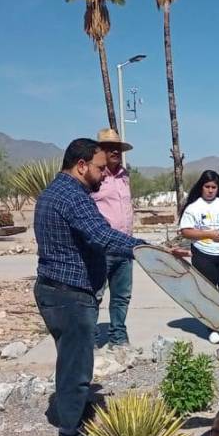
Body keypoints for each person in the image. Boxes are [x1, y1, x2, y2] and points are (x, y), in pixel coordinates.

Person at [34, 138, 187, 436]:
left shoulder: (52, 193)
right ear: (81, 166)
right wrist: (149, 250)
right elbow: (102, 236)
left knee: (69, 360)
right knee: (76, 367)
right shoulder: (73, 197)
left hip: (53, 291)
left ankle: (72, 412)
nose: (105, 175)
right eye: (100, 168)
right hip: (70, 295)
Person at [179, 170, 219, 344]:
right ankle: (211, 329)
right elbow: (186, 231)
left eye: (214, 187)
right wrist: (208, 234)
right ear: (201, 187)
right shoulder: (194, 207)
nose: (210, 190)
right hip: (203, 255)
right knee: (208, 293)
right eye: (207, 186)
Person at [90, 128, 135, 349]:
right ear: (101, 151)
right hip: (102, 247)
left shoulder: (124, 175)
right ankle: (90, 338)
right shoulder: (95, 176)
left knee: (122, 296)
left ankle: (118, 336)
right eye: (110, 148)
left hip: (126, 247)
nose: (115, 151)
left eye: (117, 148)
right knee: (95, 295)